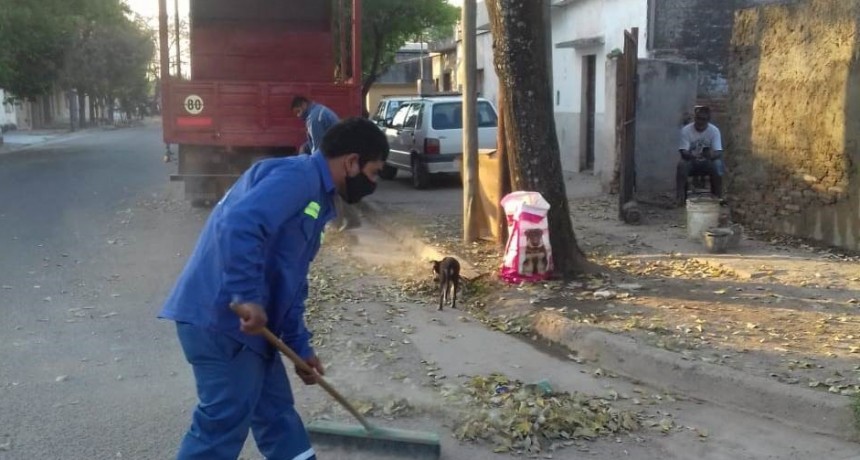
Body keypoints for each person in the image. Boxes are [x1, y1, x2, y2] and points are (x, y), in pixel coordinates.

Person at [158, 117, 389, 460]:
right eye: (374, 172)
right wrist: (247, 296)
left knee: (277, 416)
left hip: (253, 333)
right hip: (222, 324)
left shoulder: (317, 197)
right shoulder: (298, 178)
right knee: (222, 425)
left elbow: (291, 280)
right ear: (352, 162)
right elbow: (239, 224)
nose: (374, 182)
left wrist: (300, 346)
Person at [292, 95, 358, 231]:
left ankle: (337, 222)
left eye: (298, 111)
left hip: (339, 154)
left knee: (331, 187)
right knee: (335, 188)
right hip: (342, 152)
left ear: (304, 105)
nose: (298, 116)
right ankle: (348, 220)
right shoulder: (318, 111)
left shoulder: (314, 119)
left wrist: (313, 167)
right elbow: (315, 143)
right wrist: (304, 148)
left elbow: (318, 148)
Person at [676, 106, 724, 205]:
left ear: (708, 120)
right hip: (691, 161)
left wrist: (710, 155)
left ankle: (717, 197)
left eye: (703, 119)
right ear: (695, 118)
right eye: (698, 118)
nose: (700, 122)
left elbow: (718, 151)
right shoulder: (686, 130)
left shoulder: (714, 131)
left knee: (718, 165)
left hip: (707, 162)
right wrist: (691, 155)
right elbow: (683, 151)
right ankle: (680, 198)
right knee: (682, 165)